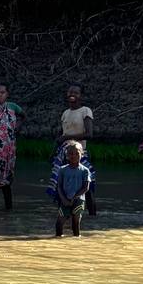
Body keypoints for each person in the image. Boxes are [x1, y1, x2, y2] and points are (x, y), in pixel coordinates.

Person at [48, 84, 97, 216]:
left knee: (88, 185)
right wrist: (53, 153)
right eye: (70, 92)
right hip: (64, 154)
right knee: (61, 185)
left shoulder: (85, 111)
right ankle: (64, 213)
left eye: (76, 92)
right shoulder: (65, 113)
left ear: (81, 95)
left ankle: (92, 217)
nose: (72, 94)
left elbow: (89, 134)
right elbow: (60, 136)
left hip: (80, 153)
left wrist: (67, 138)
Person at [54, 141, 90, 237]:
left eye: (76, 153)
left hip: (78, 200)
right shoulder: (62, 170)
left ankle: (76, 241)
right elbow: (59, 187)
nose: (73, 156)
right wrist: (64, 199)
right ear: (67, 155)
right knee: (59, 223)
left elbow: (86, 187)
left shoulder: (85, 171)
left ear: (81, 154)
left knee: (75, 222)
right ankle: (57, 240)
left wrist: (75, 197)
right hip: (65, 199)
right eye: (70, 154)